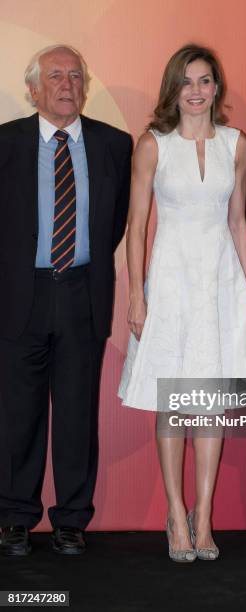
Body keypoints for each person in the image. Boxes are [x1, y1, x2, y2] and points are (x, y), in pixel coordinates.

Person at [119, 44, 246, 562]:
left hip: (221, 280)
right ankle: (175, 514)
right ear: (172, 89)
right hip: (172, 280)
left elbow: (238, 223)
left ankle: (204, 517)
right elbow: (137, 230)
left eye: (205, 81)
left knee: (208, 401)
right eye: (187, 82)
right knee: (174, 401)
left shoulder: (236, 143)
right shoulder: (152, 144)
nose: (196, 91)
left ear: (216, 88)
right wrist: (136, 295)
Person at [0, 45, 132, 556]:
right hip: (19, 294)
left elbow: (115, 221)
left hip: (82, 291)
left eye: (75, 75)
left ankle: (72, 519)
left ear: (87, 85)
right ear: (33, 88)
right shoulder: (6, 143)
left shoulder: (114, 144)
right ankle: (14, 517)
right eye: (55, 76)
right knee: (16, 414)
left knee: (77, 413)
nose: (66, 84)